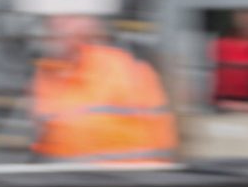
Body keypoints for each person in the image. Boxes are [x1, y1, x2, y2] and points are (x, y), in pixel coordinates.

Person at [30, 13, 178, 164]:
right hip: (76, 182)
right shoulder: (44, 79)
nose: (61, 26)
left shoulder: (125, 70)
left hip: (131, 181)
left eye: (70, 19)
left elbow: (161, 142)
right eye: (56, 20)